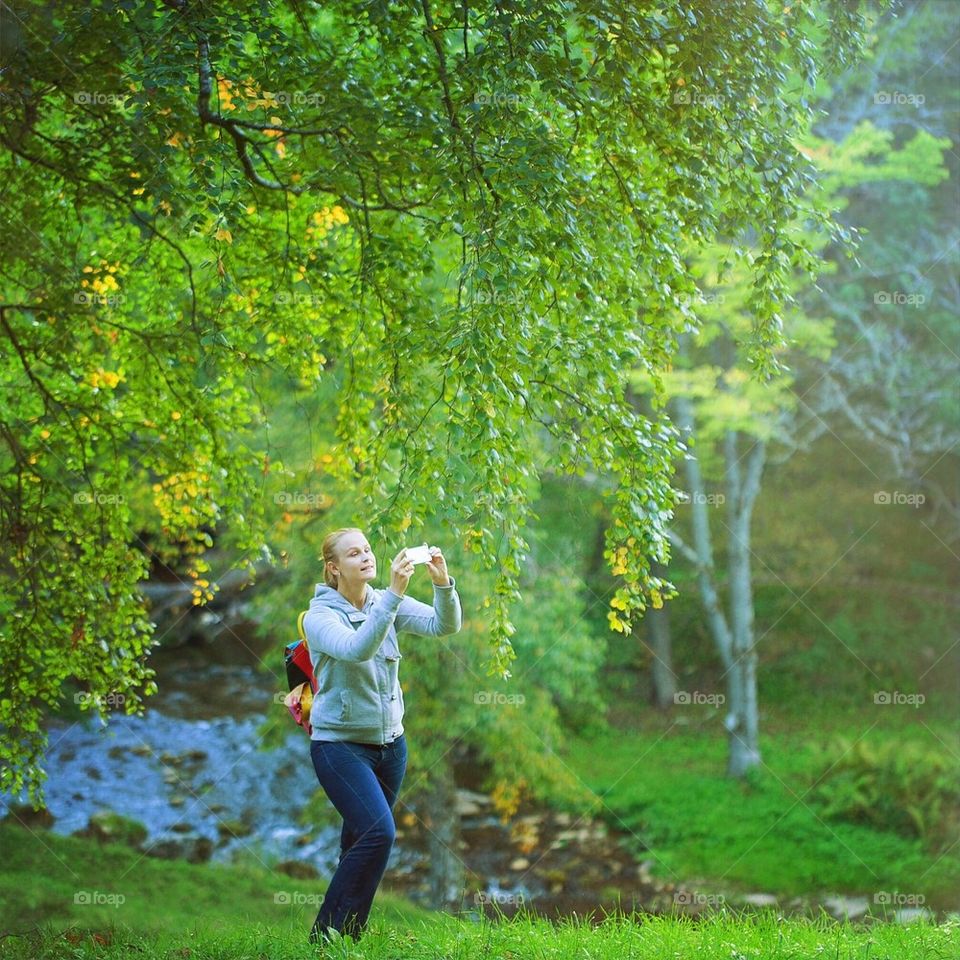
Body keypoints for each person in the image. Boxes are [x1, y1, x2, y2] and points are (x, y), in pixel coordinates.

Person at [303, 526, 462, 945]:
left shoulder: (382, 601)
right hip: (340, 747)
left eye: (368, 550)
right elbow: (357, 648)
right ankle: (323, 936)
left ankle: (347, 937)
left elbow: (443, 626)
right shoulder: (320, 616)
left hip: (392, 746)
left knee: (359, 842)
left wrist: (441, 582)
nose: (366, 557)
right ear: (334, 568)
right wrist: (392, 594)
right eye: (354, 554)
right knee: (380, 833)